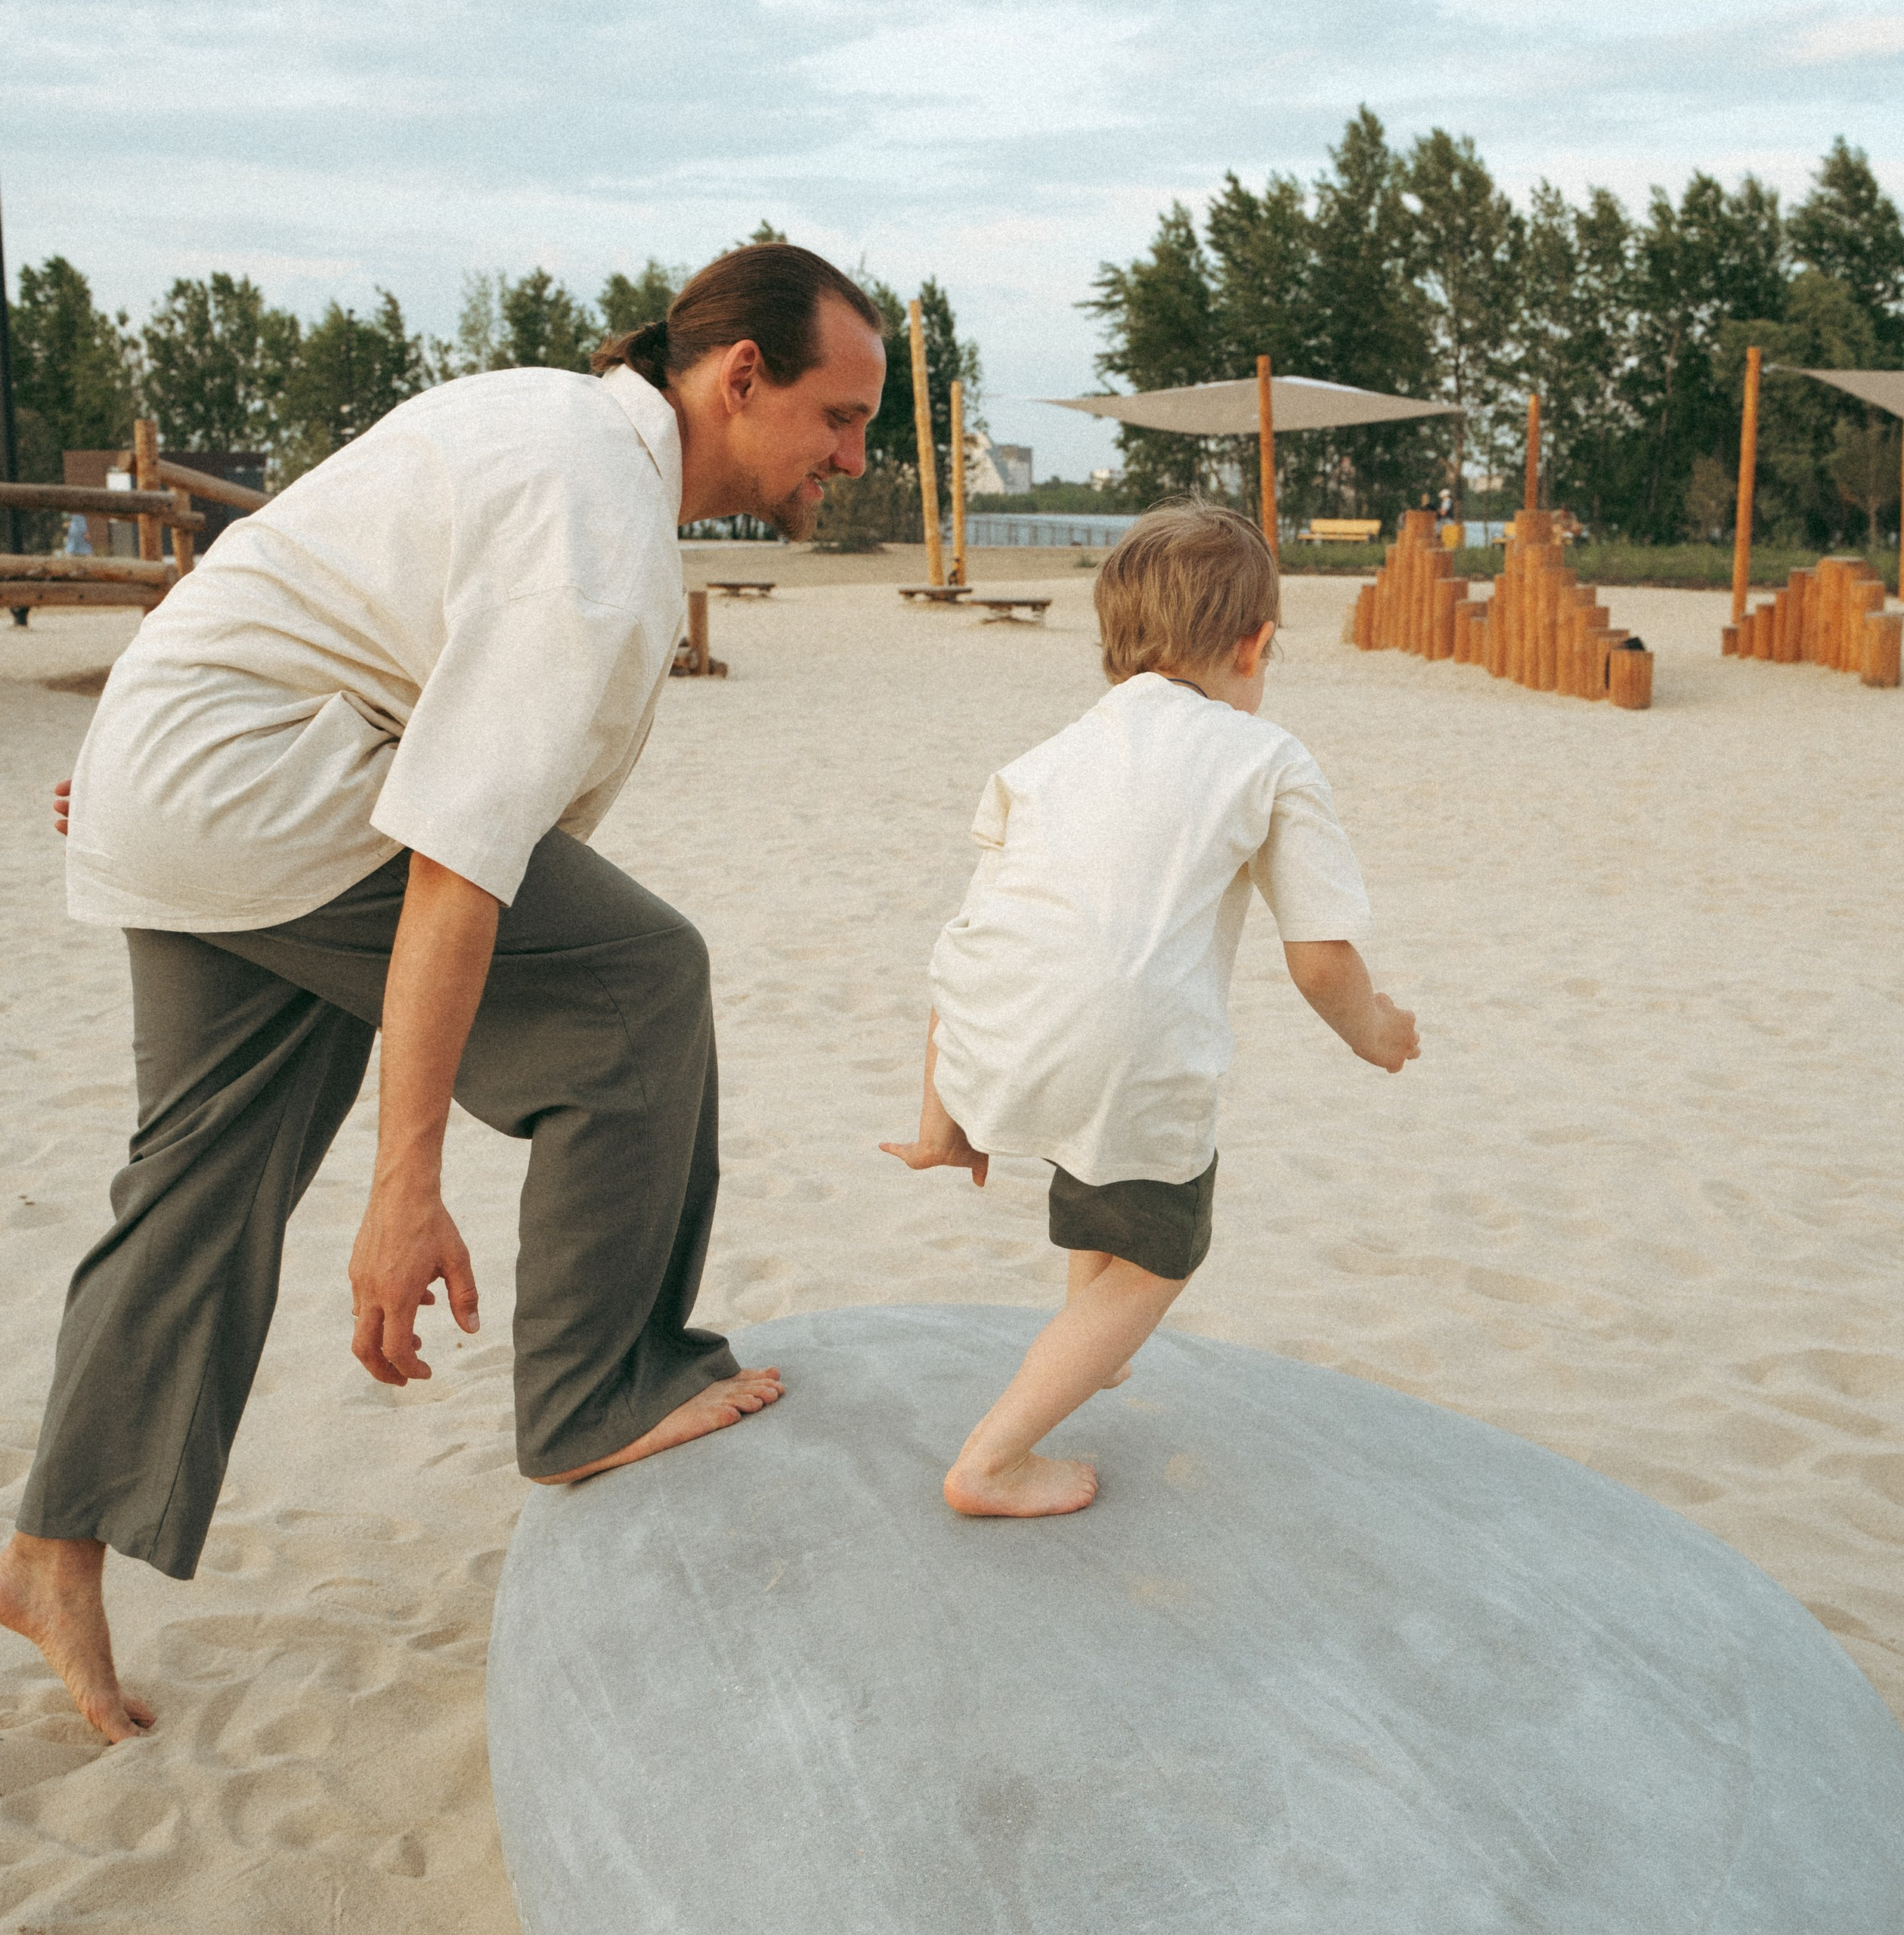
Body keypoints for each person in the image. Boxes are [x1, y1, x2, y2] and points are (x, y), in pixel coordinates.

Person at [2, 243, 887, 1742]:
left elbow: (310, 578)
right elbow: (461, 865)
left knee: (200, 1175)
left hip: (188, 772)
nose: (852, 460)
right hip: (256, 785)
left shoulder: (558, 428)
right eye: (840, 418)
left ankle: (47, 1550)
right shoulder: (593, 522)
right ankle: (598, 1392)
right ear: (741, 377)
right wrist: (402, 1189)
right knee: (636, 986)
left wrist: (153, 758)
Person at [881, 500, 1420, 1518]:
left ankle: (1089, 1346)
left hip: (990, 1031)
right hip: (1122, 1049)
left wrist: (941, 1119)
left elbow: (979, 932)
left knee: (1100, 1154)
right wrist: (1376, 1032)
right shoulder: (1268, 757)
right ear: (1255, 645)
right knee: (1161, 1255)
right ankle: (992, 1461)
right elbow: (1320, 961)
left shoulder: (1045, 758)